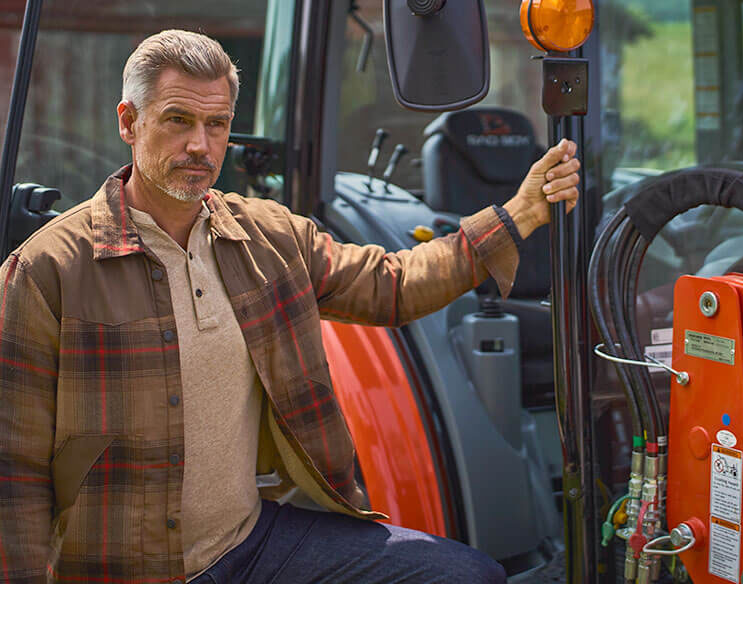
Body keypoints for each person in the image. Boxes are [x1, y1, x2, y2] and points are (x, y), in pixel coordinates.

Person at [0, 30, 580, 583]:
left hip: (251, 547)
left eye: (217, 124)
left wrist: (521, 212)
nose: (200, 146)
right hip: (122, 576)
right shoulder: (49, 268)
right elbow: (13, 469)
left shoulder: (269, 239)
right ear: (129, 122)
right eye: (178, 121)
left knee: (468, 577)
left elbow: (394, 284)